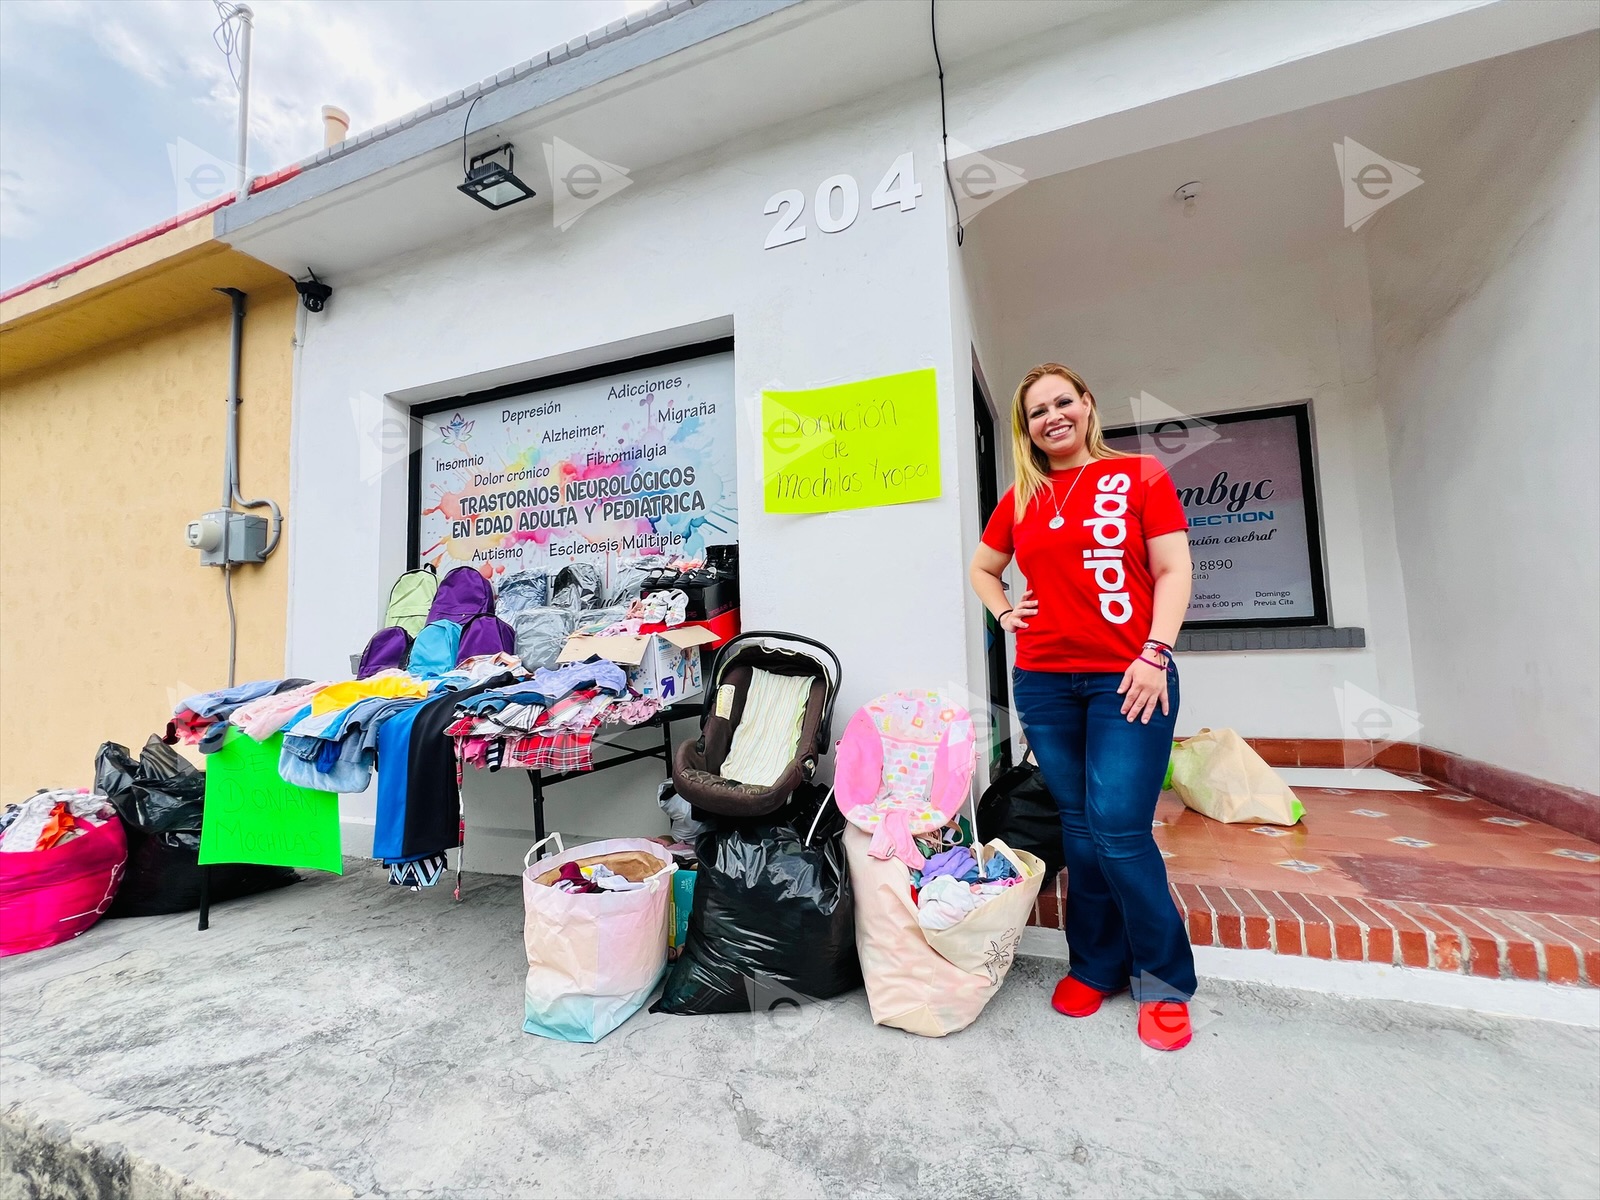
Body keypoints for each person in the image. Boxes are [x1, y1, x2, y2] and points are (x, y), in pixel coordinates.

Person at [969, 363, 1196, 1051]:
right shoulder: (1021, 497)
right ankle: (1096, 965)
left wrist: (1155, 652)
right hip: (1043, 680)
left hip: (1130, 676)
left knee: (1120, 831)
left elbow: (1173, 570)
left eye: (1062, 402)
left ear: (1088, 405)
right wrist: (1007, 612)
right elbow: (982, 567)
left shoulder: (1141, 477)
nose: (1052, 417)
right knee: (1077, 829)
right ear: (1027, 428)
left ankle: (1163, 977)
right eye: (1037, 411)